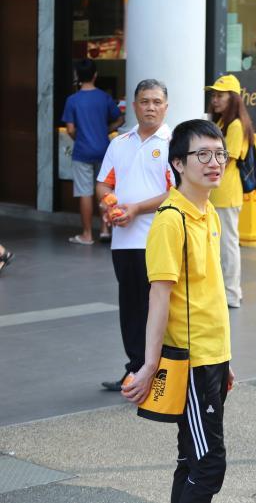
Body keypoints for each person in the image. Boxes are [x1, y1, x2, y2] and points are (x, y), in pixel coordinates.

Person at [123, 119, 234, 503]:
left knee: (191, 458)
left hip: (213, 357)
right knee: (209, 465)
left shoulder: (209, 211)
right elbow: (159, 297)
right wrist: (149, 364)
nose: (214, 163)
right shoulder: (171, 220)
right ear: (178, 164)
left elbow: (209, 293)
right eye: (202, 154)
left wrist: (225, 360)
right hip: (192, 361)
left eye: (219, 154)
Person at [96, 79, 172, 391]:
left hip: (158, 240)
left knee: (157, 307)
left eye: (156, 102)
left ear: (166, 106)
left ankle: (160, 373)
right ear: (134, 105)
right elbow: (104, 183)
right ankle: (135, 368)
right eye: (144, 101)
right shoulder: (119, 143)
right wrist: (109, 204)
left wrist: (137, 208)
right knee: (130, 307)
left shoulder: (174, 144)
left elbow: (177, 192)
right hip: (124, 241)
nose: (150, 107)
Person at [205, 74, 255, 308]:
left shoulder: (235, 125)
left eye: (220, 95)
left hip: (226, 194)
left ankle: (232, 293)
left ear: (233, 98)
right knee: (220, 245)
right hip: (217, 194)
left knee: (227, 246)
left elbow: (226, 160)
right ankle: (225, 291)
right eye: (213, 95)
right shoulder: (222, 123)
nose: (215, 100)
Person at [62, 59, 124, 245]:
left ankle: (87, 234)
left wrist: (80, 138)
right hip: (104, 150)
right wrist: (105, 130)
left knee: (85, 192)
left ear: (78, 77)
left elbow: (70, 129)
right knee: (105, 190)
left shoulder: (72, 100)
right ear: (95, 75)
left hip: (82, 151)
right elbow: (120, 120)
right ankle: (105, 230)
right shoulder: (104, 97)